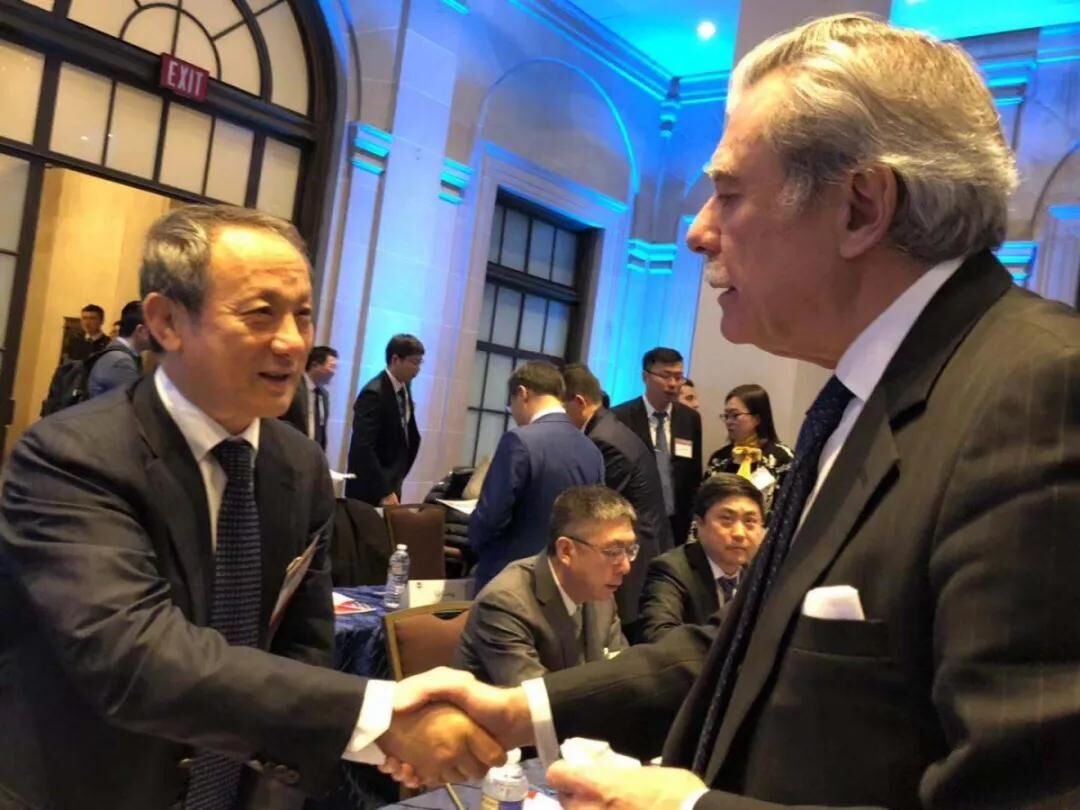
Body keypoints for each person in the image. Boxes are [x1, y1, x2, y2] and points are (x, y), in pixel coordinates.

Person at [384, 14, 1080, 809]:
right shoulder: (869, 396)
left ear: (861, 207)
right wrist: (526, 709)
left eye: (728, 193)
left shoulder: (1041, 395)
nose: (696, 233)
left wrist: (685, 807)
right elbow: (754, 642)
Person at [0, 205, 503, 809]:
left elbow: (303, 641)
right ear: (166, 321)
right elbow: (134, 656)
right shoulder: (71, 456)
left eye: (303, 314)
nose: (291, 341)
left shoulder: (298, 464)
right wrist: (375, 716)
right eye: (260, 313)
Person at [454, 485, 632, 686]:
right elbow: (536, 700)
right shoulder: (505, 603)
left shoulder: (600, 594)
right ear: (566, 551)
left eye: (630, 550)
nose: (626, 567)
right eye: (613, 551)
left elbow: (623, 676)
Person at [468, 360, 604, 591]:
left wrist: (474, 540)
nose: (513, 413)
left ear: (522, 393)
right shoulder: (591, 450)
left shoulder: (519, 441)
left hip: (513, 577)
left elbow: (491, 517)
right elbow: (595, 519)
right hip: (568, 577)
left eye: (511, 404)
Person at [562, 363, 672, 629]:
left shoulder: (603, 440)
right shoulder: (608, 428)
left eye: (561, 408)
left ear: (579, 402)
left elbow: (602, 509)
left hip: (634, 552)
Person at [637, 474, 764, 643]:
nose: (739, 533)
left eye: (750, 521)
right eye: (727, 520)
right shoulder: (670, 569)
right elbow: (659, 637)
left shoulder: (762, 573)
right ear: (699, 524)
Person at [612, 347, 702, 546]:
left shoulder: (690, 419)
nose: (673, 384)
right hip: (634, 520)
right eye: (665, 376)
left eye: (678, 377)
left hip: (677, 524)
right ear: (646, 377)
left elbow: (694, 475)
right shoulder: (620, 418)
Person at [345, 334, 423, 505]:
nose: (418, 369)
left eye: (420, 363)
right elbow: (363, 447)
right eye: (414, 362)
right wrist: (384, 490)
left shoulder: (405, 387)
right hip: (370, 489)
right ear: (395, 359)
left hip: (393, 482)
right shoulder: (373, 393)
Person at [705, 383, 793, 514]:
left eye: (735, 415)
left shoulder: (783, 459)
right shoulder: (719, 459)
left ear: (757, 418)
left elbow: (789, 508)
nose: (729, 421)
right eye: (726, 416)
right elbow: (704, 505)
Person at [87, 300, 153, 398]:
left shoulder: (118, 354)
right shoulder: (121, 362)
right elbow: (136, 402)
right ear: (141, 330)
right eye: (156, 329)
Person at [281, 345, 338, 449]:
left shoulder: (323, 395)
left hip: (311, 453)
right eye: (331, 366)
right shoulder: (292, 386)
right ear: (315, 365)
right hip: (288, 448)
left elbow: (322, 430)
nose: (334, 372)